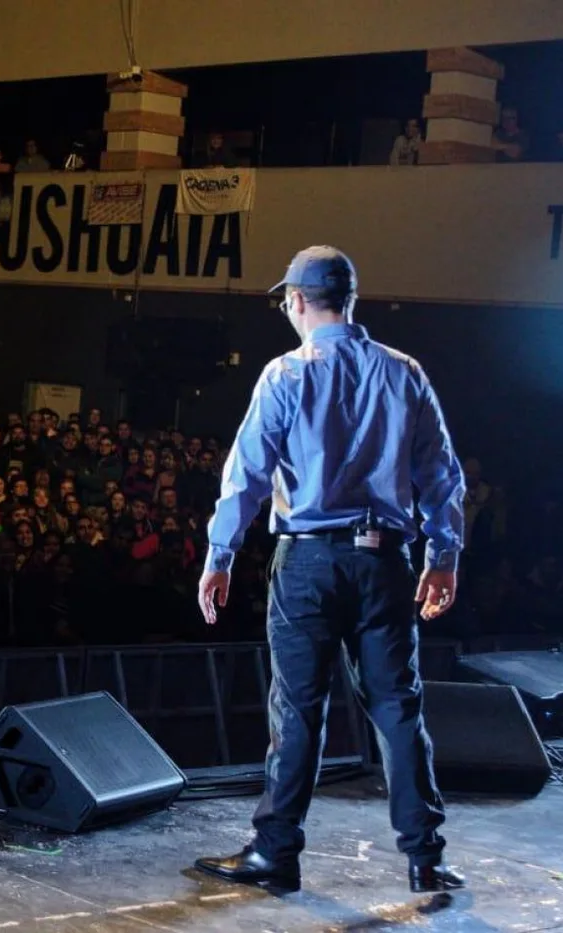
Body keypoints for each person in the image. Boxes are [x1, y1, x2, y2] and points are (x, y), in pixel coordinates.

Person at [193, 246, 466, 895]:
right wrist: (444, 556)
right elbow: (441, 474)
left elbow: (246, 477)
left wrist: (219, 555)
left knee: (298, 708)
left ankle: (276, 852)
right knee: (399, 707)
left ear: (295, 300)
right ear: (349, 300)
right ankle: (424, 856)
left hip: (310, 561)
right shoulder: (405, 372)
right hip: (385, 562)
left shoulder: (285, 374)